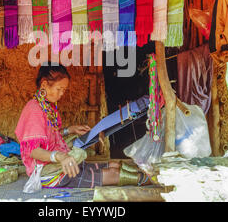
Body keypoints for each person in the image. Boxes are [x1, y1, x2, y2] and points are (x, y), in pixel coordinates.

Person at [15, 63, 149, 188]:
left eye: (64, 90)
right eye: (59, 89)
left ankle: (146, 173)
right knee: (113, 174)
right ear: (44, 84)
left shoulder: (47, 107)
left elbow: (49, 136)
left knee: (114, 164)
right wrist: (61, 157)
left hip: (60, 163)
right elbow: (33, 151)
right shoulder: (34, 109)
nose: (62, 94)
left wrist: (69, 130)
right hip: (48, 173)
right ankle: (150, 179)